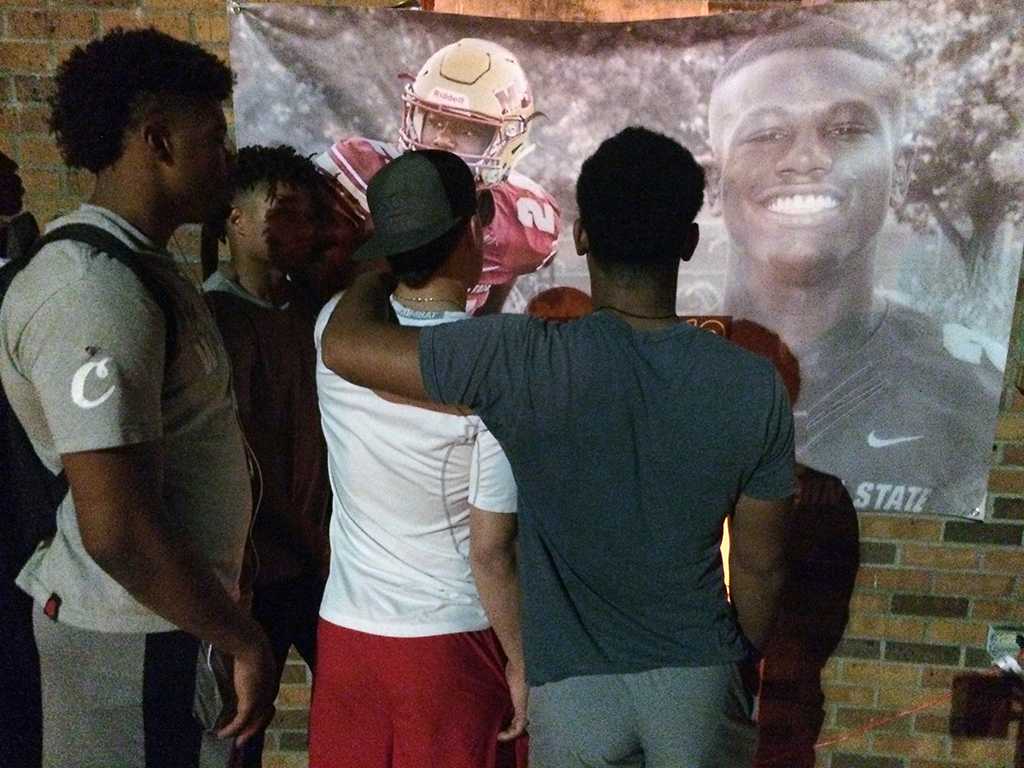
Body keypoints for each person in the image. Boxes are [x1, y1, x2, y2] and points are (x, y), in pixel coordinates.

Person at [320, 127, 795, 768]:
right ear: (688, 240)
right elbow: (762, 567)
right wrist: (740, 669)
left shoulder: (522, 357)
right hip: (699, 680)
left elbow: (345, 347)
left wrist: (377, 273)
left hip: (570, 689)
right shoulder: (750, 383)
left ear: (581, 237)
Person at [0, 28, 276, 766]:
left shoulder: (137, 268)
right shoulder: (92, 290)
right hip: (133, 637)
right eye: (212, 136)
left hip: (173, 623)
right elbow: (116, 525)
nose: (227, 156)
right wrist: (239, 635)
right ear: (157, 140)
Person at [705, 17, 1003, 516]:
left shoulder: (973, 397)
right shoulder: (632, 384)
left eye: (846, 129)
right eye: (767, 132)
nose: (807, 157)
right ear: (715, 183)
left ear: (901, 171)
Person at [308, 149, 525, 768]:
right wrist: (521, 661)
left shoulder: (332, 325)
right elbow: (492, 551)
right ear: (471, 233)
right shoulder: (492, 363)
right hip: (451, 643)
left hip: (347, 634)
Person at [203, 144, 332, 768]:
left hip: (318, 562)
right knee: (240, 729)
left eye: (309, 215)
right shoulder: (217, 319)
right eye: (282, 211)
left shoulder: (309, 310)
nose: (301, 229)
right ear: (235, 219)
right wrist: (309, 538)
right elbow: (244, 458)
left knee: (348, 705)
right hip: (257, 569)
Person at [314, 37, 560, 314]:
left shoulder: (524, 217)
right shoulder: (359, 170)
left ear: (509, 139)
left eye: (466, 130)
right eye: (435, 120)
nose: (442, 139)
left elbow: (508, 268)